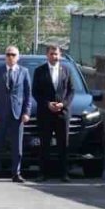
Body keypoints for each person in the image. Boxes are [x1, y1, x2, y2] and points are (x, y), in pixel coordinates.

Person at [0, 45, 31, 182]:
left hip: (17, 115)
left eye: (13, 55)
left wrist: (26, 112)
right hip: (0, 114)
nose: (10, 57)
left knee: (17, 147)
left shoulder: (24, 72)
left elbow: (28, 94)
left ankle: (16, 173)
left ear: (18, 57)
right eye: (8, 54)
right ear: (5, 56)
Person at [33, 43, 74, 182]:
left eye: (56, 54)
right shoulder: (40, 71)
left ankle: (64, 173)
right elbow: (35, 92)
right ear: (47, 55)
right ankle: (42, 173)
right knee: (45, 143)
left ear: (60, 55)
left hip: (62, 113)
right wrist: (47, 104)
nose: (54, 56)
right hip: (45, 113)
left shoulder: (67, 70)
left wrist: (63, 104)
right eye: (51, 53)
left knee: (63, 144)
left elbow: (71, 91)